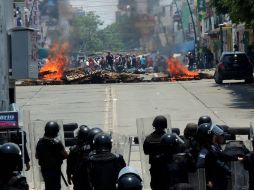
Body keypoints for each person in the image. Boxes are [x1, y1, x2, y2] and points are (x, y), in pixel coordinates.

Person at [36, 121, 68, 190]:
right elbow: (66, 155)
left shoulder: (40, 142)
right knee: (56, 187)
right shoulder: (57, 143)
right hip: (55, 170)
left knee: (48, 186)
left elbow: (36, 156)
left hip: (44, 170)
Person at [143, 115, 167, 190]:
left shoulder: (148, 139)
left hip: (155, 167)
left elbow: (146, 152)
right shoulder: (168, 138)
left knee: (155, 185)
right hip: (166, 167)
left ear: (154, 125)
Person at [67, 125, 91, 190]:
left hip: (78, 177)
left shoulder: (74, 150)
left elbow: (69, 164)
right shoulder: (94, 148)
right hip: (90, 177)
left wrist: (68, 176)